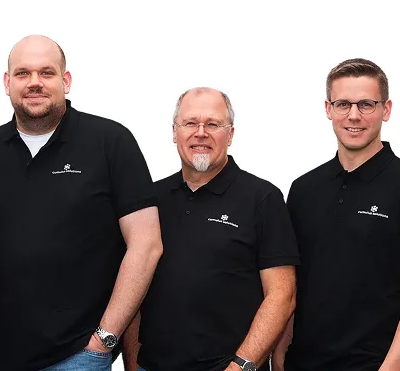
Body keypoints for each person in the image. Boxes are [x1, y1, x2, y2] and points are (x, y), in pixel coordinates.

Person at [0, 34, 164, 371]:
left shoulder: (110, 143)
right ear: (7, 83)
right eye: (23, 73)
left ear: (65, 81)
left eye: (46, 73)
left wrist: (105, 338)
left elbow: (147, 244)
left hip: (75, 357)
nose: (34, 83)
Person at [276, 58, 400, 371]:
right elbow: (291, 286)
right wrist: (279, 357)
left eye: (366, 104)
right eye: (343, 104)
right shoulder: (303, 190)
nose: (354, 115)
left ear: (386, 109)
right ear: (328, 109)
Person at [123, 88, 297, 371]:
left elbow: (282, 294)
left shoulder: (263, 198)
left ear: (230, 134)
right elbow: (133, 289)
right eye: (190, 123)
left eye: (213, 124)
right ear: (174, 132)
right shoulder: (149, 201)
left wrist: (241, 365)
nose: (200, 133)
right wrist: (132, 364)